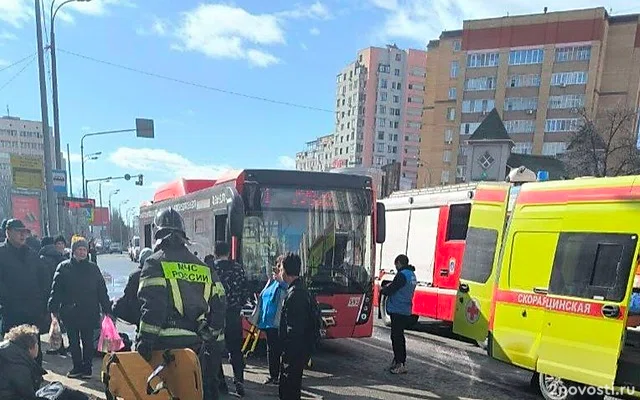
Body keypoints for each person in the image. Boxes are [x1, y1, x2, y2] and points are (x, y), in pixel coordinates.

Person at [137, 208, 226, 400]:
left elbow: (153, 311)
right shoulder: (203, 267)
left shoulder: (154, 263)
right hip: (195, 350)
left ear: (157, 235)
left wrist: (143, 347)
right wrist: (208, 334)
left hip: (164, 350)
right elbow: (220, 305)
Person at [48, 236, 112, 379]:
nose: (83, 252)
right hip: (70, 313)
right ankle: (77, 367)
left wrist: (107, 309)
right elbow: (56, 290)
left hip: (89, 312)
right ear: (73, 251)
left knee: (88, 341)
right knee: (74, 342)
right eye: (79, 249)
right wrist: (53, 310)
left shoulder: (93, 268)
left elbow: (102, 290)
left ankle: (87, 368)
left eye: (84, 249)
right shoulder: (64, 268)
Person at [0, 219, 50, 366]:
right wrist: (6, 300)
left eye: (24, 232)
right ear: (8, 232)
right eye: (18, 232)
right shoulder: (2, 254)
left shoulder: (32, 254)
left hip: (32, 313)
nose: (22, 235)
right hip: (11, 313)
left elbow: (44, 280)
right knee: (12, 351)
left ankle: (36, 379)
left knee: (34, 350)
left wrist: (42, 304)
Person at [209, 241, 251, 396]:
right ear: (228, 253)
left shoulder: (211, 269)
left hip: (216, 316)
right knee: (236, 350)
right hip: (234, 314)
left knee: (215, 349)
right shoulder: (238, 269)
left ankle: (221, 383)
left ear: (215, 253)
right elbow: (245, 292)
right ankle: (239, 379)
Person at [279, 253, 315, 400]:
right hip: (295, 352)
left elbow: (295, 329)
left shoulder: (296, 294)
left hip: (294, 353)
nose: (279, 271)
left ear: (286, 271)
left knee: (290, 389)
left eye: (280, 268)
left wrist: (286, 350)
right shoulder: (298, 289)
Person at [248, 256, 288, 386]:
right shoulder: (272, 281)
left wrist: (280, 280)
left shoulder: (284, 282)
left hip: (278, 322)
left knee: (279, 349)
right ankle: (273, 375)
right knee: (271, 349)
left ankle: (281, 376)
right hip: (268, 321)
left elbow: (287, 291)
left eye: (279, 266)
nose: (277, 269)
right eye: (277, 266)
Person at [380, 254, 417, 374]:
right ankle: (397, 362)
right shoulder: (411, 274)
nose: (395, 266)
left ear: (399, 263)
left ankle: (400, 363)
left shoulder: (401, 275)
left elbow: (392, 289)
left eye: (396, 264)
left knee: (397, 338)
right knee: (398, 336)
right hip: (405, 309)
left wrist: (383, 290)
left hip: (398, 309)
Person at [39, 235, 69, 356]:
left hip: (48, 293)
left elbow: (42, 280)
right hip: (64, 294)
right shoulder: (62, 258)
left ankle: (58, 346)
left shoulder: (41, 259)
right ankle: (63, 346)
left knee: (53, 320)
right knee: (62, 321)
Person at [112, 247, 154, 328]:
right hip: (153, 311)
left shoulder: (134, 275)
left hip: (138, 312)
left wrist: (115, 306)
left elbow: (128, 294)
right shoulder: (157, 273)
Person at [0, 324, 43, 400]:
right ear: (31, 347)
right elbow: (28, 395)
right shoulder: (19, 365)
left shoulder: (6, 351)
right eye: (37, 343)